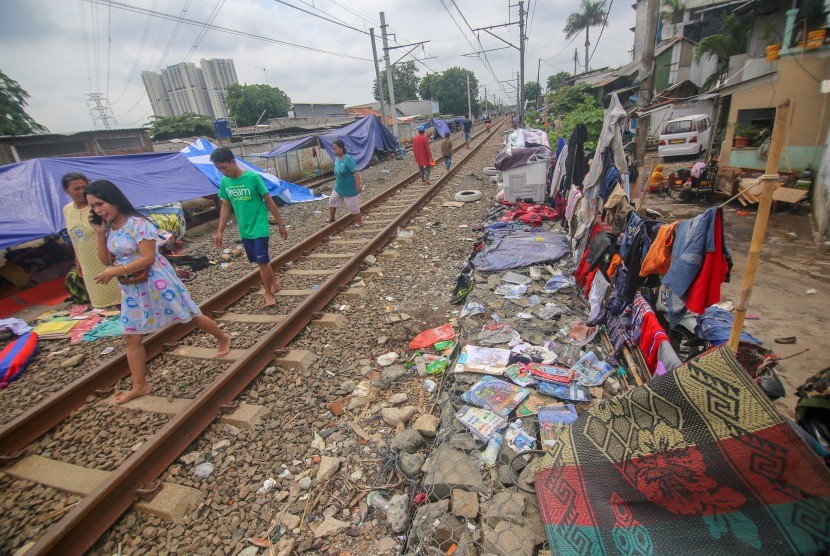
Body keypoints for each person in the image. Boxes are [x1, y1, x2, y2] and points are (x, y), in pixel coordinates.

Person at [85, 180, 231, 404]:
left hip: (156, 281)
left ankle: (223, 338)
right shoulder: (109, 229)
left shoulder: (138, 224)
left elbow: (148, 258)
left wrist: (115, 271)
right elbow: (105, 260)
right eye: (93, 207)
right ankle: (140, 385)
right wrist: (98, 234)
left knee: (189, 316)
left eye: (100, 203)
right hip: (132, 286)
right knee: (131, 336)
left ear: (113, 199)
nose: (98, 210)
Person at [210, 147, 288, 307]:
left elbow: (270, 201)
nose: (222, 172)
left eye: (224, 167)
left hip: (259, 228)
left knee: (262, 262)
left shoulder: (253, 178)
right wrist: (219, 231)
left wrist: (281, 225)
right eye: (219, 169)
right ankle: (275, 282)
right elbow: (225, 206)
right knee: (261, 262)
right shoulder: (225, 182)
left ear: (233, 161)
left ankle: (268, 293)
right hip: (245, 230)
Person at [61, 172, 122, 308]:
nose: (82, 192)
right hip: (88, 263)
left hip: (109, 258)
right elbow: (74, 238)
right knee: (103, 302)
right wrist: (78, 262)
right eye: (76, 189)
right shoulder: (67, 210)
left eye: (84, 187)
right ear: (66, 190)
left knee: (122, 297)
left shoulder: (97, 206)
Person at [327, 138, 363, 227]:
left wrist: (358, 185)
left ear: (341, 148)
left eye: (335, 148)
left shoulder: (348, 159)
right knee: (332, 201)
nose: (334, 150)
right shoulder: (336, 159)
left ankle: (359, 223)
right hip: (339, 188)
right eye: (333, 149)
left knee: (353, 208)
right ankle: (332, 218)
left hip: (349, 189)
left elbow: (356, 172)